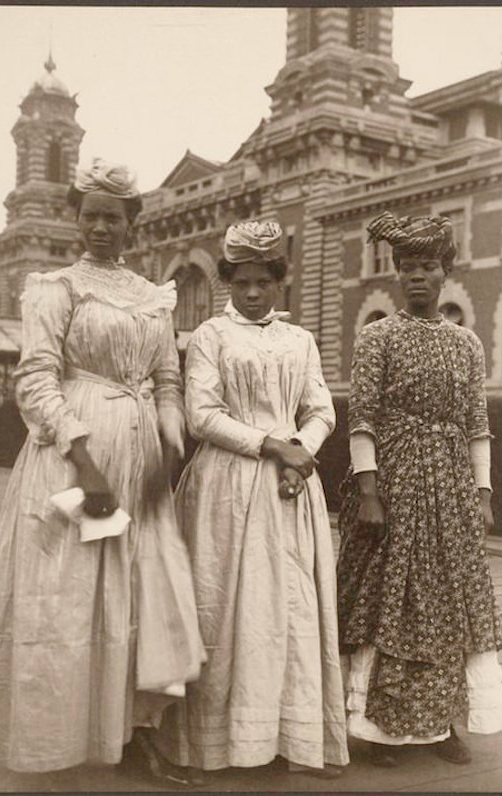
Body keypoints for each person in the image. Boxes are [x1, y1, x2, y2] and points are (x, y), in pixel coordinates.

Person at [0, 158, 205, 783]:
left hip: (140, 459)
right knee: (67, 599)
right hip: (74, 459)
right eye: (90, 216)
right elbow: (36, 378)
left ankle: (135, 733)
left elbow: (168, 380)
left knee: (143, 597)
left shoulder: (153, 297)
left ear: (131, 223)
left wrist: (171, 441)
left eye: (112, 218)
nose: (100, 227)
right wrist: (82, 458)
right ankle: (56, 739)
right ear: (77, 219)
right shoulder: (55, 287)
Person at [156, 221, 349, 780]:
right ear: (228, 282)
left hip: (291, 487)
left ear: (279, 282)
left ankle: (294, 738)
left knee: (290, 607)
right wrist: (272, 447)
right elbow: (202, 415)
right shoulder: (211, 335)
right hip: (227, 484)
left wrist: (299, 452)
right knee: (227, 608)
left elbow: (321, 410)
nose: (253, 293)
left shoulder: (300, 340)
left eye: (264, 282)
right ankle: (218, 745)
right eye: (242, 282)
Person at [336, 211, 502, 768]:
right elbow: (362, 417)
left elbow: (477, 421)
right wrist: (369, 492)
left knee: (449, 600)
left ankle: (442, 725)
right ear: (397, 272)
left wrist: (482, 493)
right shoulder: (377, 336)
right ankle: (375, 728)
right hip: (393, 481)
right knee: (389, 598)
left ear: (445, 272)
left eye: (429, 266)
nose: (418, 276)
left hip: (450, 486)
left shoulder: (466, 343)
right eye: (409, 266)